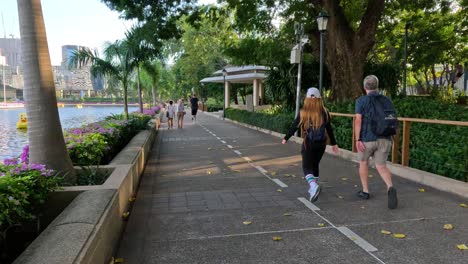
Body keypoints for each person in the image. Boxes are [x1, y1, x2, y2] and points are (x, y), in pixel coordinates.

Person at [282, 87, 339, 203]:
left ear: (307, 99)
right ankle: (315, 186)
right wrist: (334, 144)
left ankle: (313, 186)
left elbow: (294, 126)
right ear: (319, 99)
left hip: (309, 143)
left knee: (306, 166)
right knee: (315, 164)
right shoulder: (325, 111)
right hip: (322, 143)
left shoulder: (304, 112)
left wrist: (286, 138)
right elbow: (329, 129)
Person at [354, 75, 398, 209]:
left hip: (367, 139)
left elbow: (358, 121)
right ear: (377, 86)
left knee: (363, 162)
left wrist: (357, 139)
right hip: (385, 138)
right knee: (381, 166)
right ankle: (390, 187)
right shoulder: (386, 100)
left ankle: (365, 191)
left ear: (364, 87)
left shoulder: (361, 101)